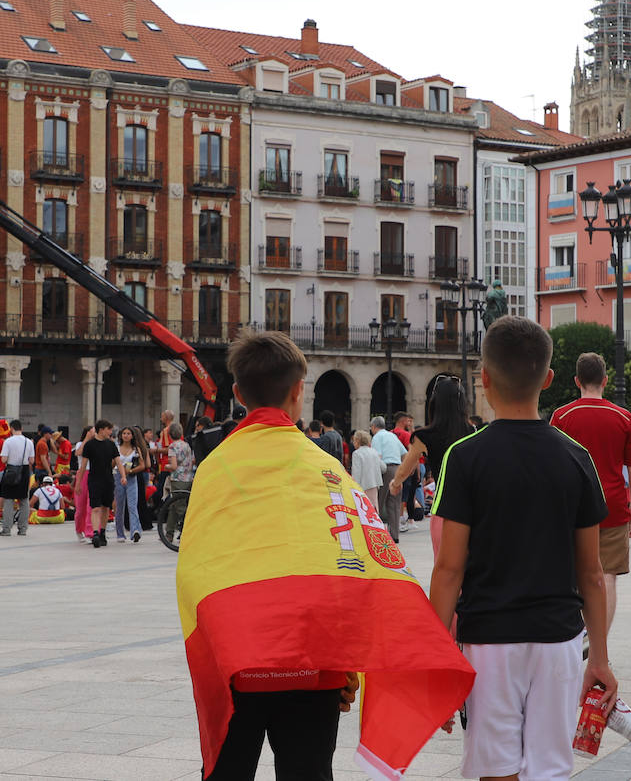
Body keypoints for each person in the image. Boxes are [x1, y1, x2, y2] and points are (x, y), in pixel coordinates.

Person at [175, 329, 472, 780]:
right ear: (299, 392)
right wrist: (346, 660)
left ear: (236, 393)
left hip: (237, 667)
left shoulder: (215, 468)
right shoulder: (327, 471)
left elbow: (198, 573)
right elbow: (360, 562)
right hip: (313, 671)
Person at [429, 316, 615, 781]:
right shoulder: (576, 457)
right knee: (549, 770)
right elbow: (592, 572)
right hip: (559, 639)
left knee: (495, 770)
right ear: (549, 379)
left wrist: (436, 659)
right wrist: (601, 658)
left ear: (484, 378)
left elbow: (450, 569)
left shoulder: (465, 456)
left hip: (489, 639)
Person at [550, 352, 631, 630]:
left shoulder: (561, 416)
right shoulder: (623, 416)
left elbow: (553, 465)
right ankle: (598, 640)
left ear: (577, 380)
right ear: (605, 380)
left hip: (572, 508)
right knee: (609, 576)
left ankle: (579, 633)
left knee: (574, 575)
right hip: (613, 505)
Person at [387, 377, 469, 557]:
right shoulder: (472, 432)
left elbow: (405, 468)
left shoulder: (424, 436)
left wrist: (395, 484)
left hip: (444, 509)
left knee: (443, 566)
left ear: (434, 404)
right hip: (471, 510)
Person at [82, 420, 119, 548]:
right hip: (94, 479)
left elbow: (118, 461)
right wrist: (78, 482)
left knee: (105, 507)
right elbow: (83, 465)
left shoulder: (111, 445)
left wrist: (123, 476)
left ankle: (102, 532)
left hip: (108, 479)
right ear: (102, 429)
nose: (110, 432)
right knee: (95, 507)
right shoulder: (90, 445)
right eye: (109, 429)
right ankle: (95, 533)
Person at [369, 416, 407, 540]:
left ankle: (377, 534)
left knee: (378, 502)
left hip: (385, 469)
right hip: (397, 468)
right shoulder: (393, 436)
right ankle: (394, 535)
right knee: (394, 503)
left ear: (374, 427)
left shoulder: (377, 437)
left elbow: (377, 457)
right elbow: (405, 453)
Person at [0, 420, 34, 537]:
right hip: (24, 472)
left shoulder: (8, 441)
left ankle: (6, 529)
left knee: (8, 500)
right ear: (21, 428)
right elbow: (31, 460)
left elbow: (3, 459)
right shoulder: (29, 442)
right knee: (24, 501)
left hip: (11, 471)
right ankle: (23, 529)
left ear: (11, 428)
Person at [112, 426, 147, 543]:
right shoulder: (116, 448)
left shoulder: (136, 449)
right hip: (118, 477)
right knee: (119, 506)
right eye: (124, 433)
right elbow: (112, 464)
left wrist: (131, 471)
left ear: (132, 436)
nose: (126, 435)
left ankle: (135, 531)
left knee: (132, 505)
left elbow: (142, 465)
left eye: (128, 433)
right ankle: (120, 533)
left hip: (131, 477)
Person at [349, 430, 383, 507]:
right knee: (373, 508)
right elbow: (383, 467)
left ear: (357, 440)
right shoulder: (374, 451)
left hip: (363, 486)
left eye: (354, 440)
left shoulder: (357, 453)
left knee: (363, 508)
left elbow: (356, 473)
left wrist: (354, 487)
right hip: (375, 484)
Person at [165, 422, 195, 496]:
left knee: (177, 504)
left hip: (177, 479)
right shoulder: (186, 445)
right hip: (188, 478)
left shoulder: (172, 446)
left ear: (170, 434)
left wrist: (166, 466)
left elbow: (174, 466)